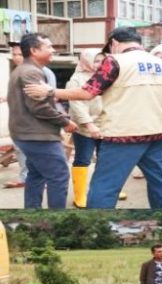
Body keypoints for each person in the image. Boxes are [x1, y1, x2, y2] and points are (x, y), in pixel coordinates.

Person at [24, 27, 162, 209]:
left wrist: (50, 91)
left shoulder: (114, 61)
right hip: (158, 134)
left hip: (123, 136)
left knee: (104, 187)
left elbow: (87, 92)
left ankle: (98, 231)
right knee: (161, 185)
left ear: (114, 43)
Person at [6, 33, 77, 209]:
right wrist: (65, 122)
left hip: (27, 133)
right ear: (34, 50)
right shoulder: (31, 72)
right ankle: (57, 222)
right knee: (59, 176)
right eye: (49, 47)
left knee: (36, 175)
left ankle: (32, 213)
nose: (53, 50)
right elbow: (39, 107)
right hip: (37, 135)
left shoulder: (24, 70)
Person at [0, 41, 61, 190]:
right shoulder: (19, 72)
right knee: (29, 164)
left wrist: (63, 122)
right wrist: (4, 99)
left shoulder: (40, 72)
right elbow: (23, 97)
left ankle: (41, 181)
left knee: (50, 172)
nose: (16, 58)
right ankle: (27, 178)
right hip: (23, 126)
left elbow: (47, 100)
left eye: (19, 54)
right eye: (14, 54)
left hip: (37, 129)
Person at [66, 48, 103, 208]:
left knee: (106, 159)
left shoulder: (105, 77)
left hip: (105, 126)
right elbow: (76, 105)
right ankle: (80, 195)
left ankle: (105, 190)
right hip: (84, 127)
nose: (99, 64)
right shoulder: (76, 80)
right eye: (96, 60)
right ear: (86, 61)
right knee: (83, 159)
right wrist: (89, 124)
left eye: (102, 61)